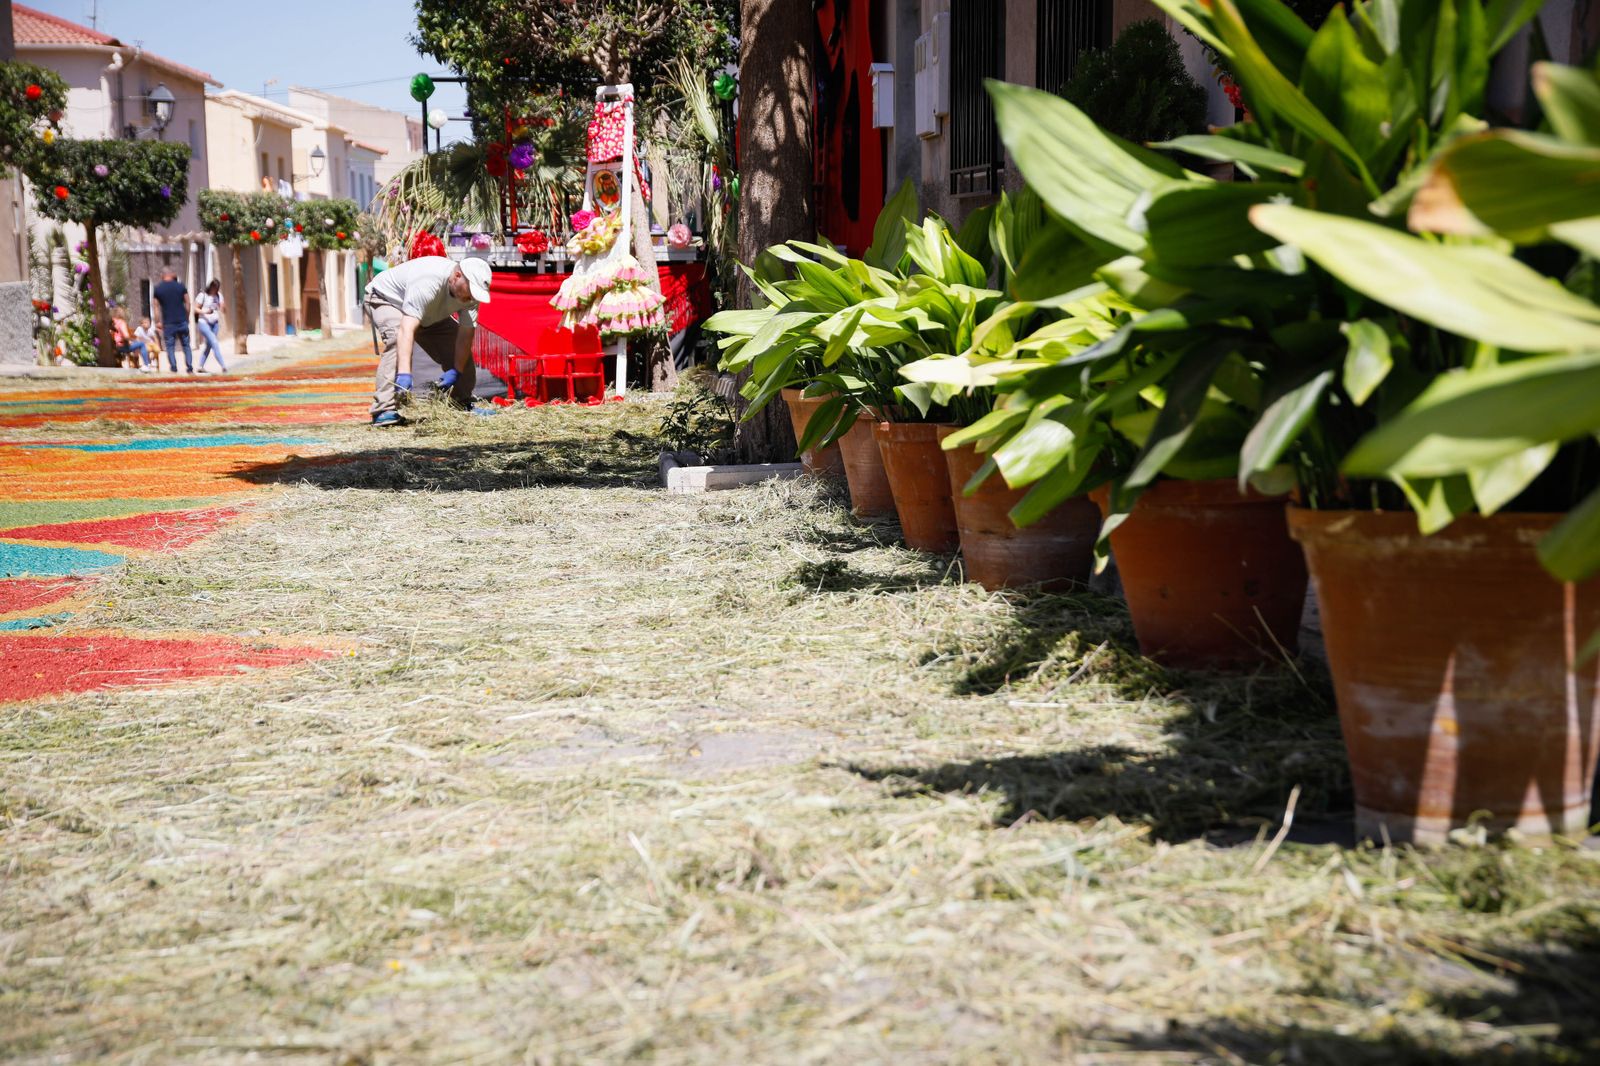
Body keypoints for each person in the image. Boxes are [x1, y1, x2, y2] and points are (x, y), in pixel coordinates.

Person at [362, 255, 492, 427]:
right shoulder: (428, 281)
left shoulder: (471, 295)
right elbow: (406, 329)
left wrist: (457, 371)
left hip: (427, 311)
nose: (471, 297)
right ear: (458, 275)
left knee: (454, 344)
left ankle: (462, 402)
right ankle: (384, 409)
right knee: (395, 337)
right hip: (386, 299)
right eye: (471, 290)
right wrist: (404, 374)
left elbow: (465, 336)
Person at [151, 268, 193, 373]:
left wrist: (158, 322)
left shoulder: (158, 289)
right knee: (186, 345)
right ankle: (189, 367)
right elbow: (188, 303)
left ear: (163, 275)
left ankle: (174, 367)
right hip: (182, 321)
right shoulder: (180, 286)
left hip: (168, 323)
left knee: (170, 346)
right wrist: (187, 317)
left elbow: (155, 307)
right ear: (172, 274)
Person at [194, 279, 226, 373]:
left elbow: (222, 309)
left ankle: (200, 366)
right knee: (214, 342)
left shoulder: (219, 296)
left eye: (217, 288)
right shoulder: (203, 295)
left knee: (209, 345)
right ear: (211, 287)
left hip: (214, 323)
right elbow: (195, 309)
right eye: (214, 288)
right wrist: (205, 311)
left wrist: (223, 306)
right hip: (204, 322)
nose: (215, 290)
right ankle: (223, 366)